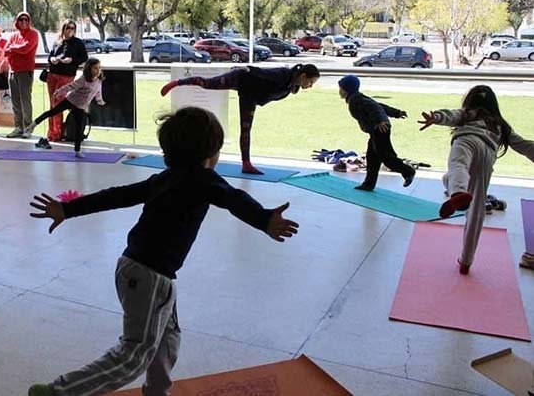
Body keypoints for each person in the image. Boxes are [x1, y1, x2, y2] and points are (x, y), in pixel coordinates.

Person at [27, 106, 298, 396]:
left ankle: (157, 392)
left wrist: (67, 209)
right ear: (211, 153)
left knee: (167, 340)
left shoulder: (164, 179)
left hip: (134, 268)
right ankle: (59, 392)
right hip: (151, 277)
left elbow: (117, 196)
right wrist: (264, 219)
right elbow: (234, 199)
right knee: (134, 355)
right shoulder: (204, 179)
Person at [418, 85, 534, 274]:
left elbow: (451, 115)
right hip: (486, 154)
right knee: (476, 210)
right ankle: (466, 261)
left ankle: (458, 192)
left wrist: (436, 117)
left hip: (466, 141)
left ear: (470, 100)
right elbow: (523, 145)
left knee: (458, 167)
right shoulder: (499, 124)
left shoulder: (467, 114)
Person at [160, 64, 320, 174]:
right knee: (208, 83)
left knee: (246, 129)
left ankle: (246, 164)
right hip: (241, 78)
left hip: (249, 96)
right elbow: (265, 73)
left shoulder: (290, 86)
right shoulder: (284, 75)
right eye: (311, 82)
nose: (310, 86)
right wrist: (248, 69)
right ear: (303, 76)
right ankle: (177, 82)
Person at [338, 74, 415, 191]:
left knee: (386, 157)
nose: (339, 91)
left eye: (341, 88)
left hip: (380, 129)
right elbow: (378, 105)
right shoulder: (357, 97)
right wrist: (396, 113)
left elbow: (374, 108)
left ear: (347, 89)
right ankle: (368, 184)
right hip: (376, 130)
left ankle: (408, 171)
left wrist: (380, 121)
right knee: (372, 158)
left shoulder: (355, 100)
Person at [27, 58, 104, 157]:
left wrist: (100, 101)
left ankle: (77, 150)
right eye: (95, 68)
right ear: (89, 69)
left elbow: (98, 92)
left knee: (79, 128)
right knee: (53, 112)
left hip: (80, 107)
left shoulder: (98, 81)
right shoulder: (83, 80)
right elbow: (71, 86)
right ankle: (33, 124)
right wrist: (59, 91)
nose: (98, 70)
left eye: (99, 68)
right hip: (70, 101)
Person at [37, 19, 87, 148]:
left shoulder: (78, 43)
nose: (70, 30)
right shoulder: (57, 41)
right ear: (63, 29)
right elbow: (50, 56)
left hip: (67, 76)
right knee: (52, 104)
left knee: (58, 103)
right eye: (67, 28)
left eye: (72, 28)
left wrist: (72, 60)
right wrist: (53, 59)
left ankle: (57, 133)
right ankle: (52, 133)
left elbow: (84, 57)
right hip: (52, 75)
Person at [5, 11, 39, 138]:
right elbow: (5, 51)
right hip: (12, 71)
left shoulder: (33, 34)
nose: (24, 22)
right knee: (15, 102)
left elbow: (25, 49)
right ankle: (18, 127)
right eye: (21, 20)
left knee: (25, 101)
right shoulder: (13, 35)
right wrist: (15, 48)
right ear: (17, 22)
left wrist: (13, 48)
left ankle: (28, 128)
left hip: (25, 71)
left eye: (26, 19)